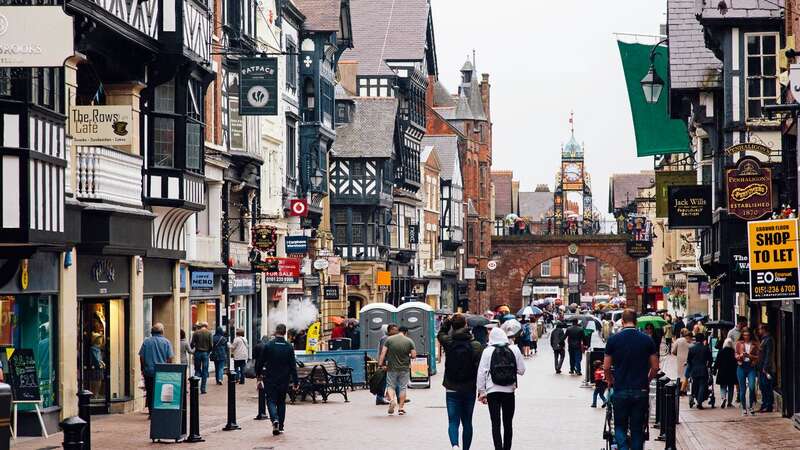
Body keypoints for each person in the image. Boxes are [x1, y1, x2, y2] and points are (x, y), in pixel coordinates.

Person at [604, 309, 659, 450]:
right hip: (640, 390)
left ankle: (622, 448)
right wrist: (646, 380)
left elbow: (606, 367)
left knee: (620, 425)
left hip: (620, 389)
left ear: (622, 321)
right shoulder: (647, 340)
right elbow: (655, 367)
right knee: (637, 428)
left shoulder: (613, 340)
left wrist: (610, 380)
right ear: (636, 321)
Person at [437, 313, 483, 450]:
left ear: (453, 326)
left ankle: (455, 445)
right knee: (467, 421)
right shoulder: (475, 345)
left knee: (453, 420)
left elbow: (441, 333)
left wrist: (447, 322)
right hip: (469, 387)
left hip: (451, 386)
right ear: (466, 325)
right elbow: (480, 368)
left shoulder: (449, 342)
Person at [477, 326, 526, 450]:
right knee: (508, 423)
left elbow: (481, 373)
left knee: (495, 423)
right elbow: (521, 370)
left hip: (492, 391)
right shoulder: (514, 349)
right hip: (509, 391)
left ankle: (498, 448)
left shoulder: (487, 351)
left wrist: (482, 392)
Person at [255, 324, 298, 436]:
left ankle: (275, 419)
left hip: (270, 378)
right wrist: (296, 381)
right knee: (281, 402)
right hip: (284, 379)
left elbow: (260, 362)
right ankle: (281, 426)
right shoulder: (289, 346)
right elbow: (293, 366)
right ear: (284, 332)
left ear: (276, 332)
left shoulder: (269, 345)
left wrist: (258, 374)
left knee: (270, 400)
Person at [378, 323, 416, 415]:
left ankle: (391, 400)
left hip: (391, 368)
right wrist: (408, 355)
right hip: (404, 368)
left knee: (390, 386)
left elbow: (383, 353)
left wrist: (380, 364)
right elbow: (414, 355)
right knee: (403, 387)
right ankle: (401, 408)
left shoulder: (389, 340)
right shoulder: (409, 341)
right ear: (406, 332)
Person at [138, 323, 174, 413]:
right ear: (162, 332)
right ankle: (159, 411)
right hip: (161, 372)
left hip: (149, 371)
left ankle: (151, 411)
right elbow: (169, 358)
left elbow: (141, 356)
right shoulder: (166, 342)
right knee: (160, 392)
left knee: (150, 392)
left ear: (152, 332)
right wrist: (167, 369)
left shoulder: (146, 342)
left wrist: (143, 368)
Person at [735, 327, 760, 415]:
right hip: (741, 366)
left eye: (748, 335)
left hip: (750, 366)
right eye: (744, 335)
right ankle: (744, 408)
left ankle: (751, 406)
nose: (746, 336)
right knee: (742, 388)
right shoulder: (739, 343)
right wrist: (741, 355)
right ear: (742, 335)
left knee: (752, 386)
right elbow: (735, 355)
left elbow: (758, 357)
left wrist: (750, 356)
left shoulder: (754, 344)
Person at [686, 333, 712, 409]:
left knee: (695, 385)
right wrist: (709, 366)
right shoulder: (706, 348)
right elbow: (710, 360)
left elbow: (689, 360)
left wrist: (691, 366)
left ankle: (697, 398)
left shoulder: (692, 348)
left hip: (694, 370)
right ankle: (699, 402)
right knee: (702, 385)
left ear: (696, 339)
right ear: (703, 339)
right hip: (703, 369)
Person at [713, 338, 737, 408]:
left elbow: (717, 362)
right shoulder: (733, 352)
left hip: (722, 371)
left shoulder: (721, 351)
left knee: (723, 386)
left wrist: (714, 370)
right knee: (731, 387)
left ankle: (723, 398)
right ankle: (729, 402)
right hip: (732, 372)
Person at [190, 322, 212, 393]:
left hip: (197, 353)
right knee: (205, 371)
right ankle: (203, 389)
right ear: (206, 326)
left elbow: (192, 344)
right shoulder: (209, 333)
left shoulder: (196, 333)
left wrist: (193, 349)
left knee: (197, 370)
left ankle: (195, 387)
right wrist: (209, 352)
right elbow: (211, 345)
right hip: (205, 353)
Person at [757, 325, 774, 413]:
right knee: (762, 386)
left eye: (760, 329)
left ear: (764, 329)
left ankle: (768, 405)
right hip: (760, 367)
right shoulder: (763, 339)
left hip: (765, 368)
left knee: (767, 386)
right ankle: (764, 404)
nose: (759, 330)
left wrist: (765, 367)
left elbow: (768, 354)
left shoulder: (769, 340)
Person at [671, 329, 692, 395]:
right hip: (688, 359)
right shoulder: (691, 342)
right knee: (686, 375)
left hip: (680, 359)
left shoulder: (678, 340)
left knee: (680, 375)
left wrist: (678, 354)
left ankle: (680, 389)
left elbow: (673, 351)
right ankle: (684, 390)